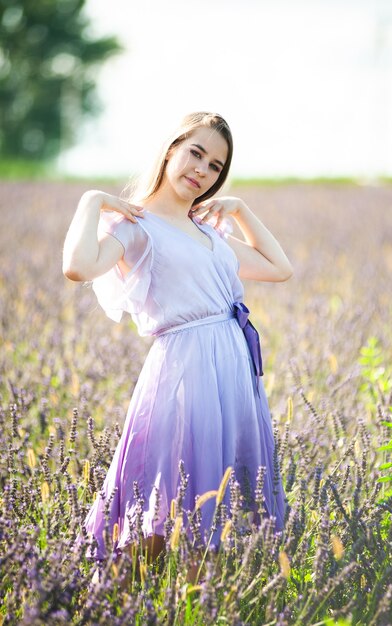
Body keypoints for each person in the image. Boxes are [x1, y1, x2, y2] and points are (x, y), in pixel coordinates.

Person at [62, 111, 293, 578]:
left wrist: (240, 210)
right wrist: (92, 202)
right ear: (171, 149)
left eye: (215, 166)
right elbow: (78, 267)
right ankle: (116, 597)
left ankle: (195, 602)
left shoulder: (209, 231)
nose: (202, 171)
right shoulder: (136, 225)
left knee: (220, 499)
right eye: (196, 153)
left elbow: (278, 267)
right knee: (164, 496)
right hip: (185, 369)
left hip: (232, 369)